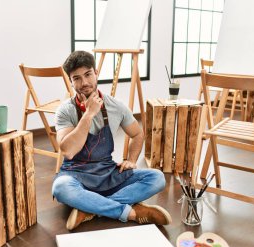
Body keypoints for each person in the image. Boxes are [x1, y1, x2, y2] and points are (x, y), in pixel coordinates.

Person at [52, 51, 172, 230]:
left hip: (108, 174)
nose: (84, 83)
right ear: (70, 81)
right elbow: (68, 150)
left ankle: (89, 209)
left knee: (157, 178)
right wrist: (89, 113)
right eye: (76, 78)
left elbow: (138, 134)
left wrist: (131, 160)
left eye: (88, 74)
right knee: (61, 188)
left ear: (96, 72)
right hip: (76, 175)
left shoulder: (116, 106)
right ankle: (130, 213)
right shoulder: (65, 111)